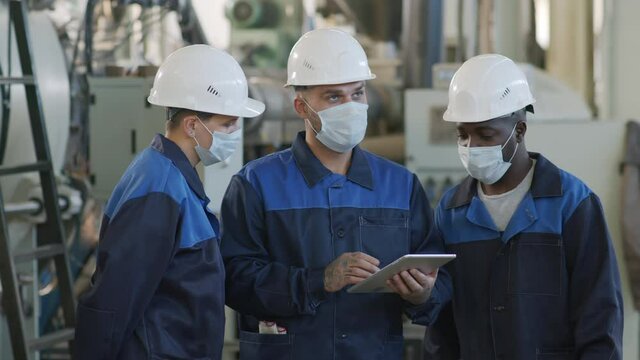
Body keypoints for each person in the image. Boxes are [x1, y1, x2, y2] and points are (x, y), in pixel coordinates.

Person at [220, 28, 438, 360]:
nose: (351, 106)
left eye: (358, 93)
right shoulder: (256, 184)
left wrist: (424, 294)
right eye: (334, 97)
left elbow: (438, 276)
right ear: (301, 106)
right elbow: (234, 281)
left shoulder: (401, 186)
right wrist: (318, 280)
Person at [421, 53, 624, 359]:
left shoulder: (572, 205)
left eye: (486, 135)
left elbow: (599, 318)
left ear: (519, 131)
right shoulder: (451, 211)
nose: (471, 147)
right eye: (463, 135)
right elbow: (441, 330)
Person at [74, 44, 265, 359]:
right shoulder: (160, 189)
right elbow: (116, 299)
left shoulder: (171, 178)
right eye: (228, 123)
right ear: (192, 125)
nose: (235, 132)